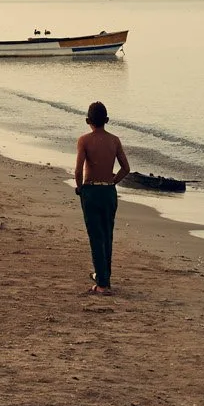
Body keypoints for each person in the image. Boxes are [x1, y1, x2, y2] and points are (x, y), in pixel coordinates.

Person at [74, 101, 130, 294]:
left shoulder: (84, 140)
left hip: (91, 191)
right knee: (107, 234)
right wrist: (113, 181)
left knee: (95, 236)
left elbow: (79, 169)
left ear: (88, 120)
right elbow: (126, 168)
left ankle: (102, 283)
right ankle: (104, 276)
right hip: (108, 191)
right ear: (107, 120)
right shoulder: (114, 141)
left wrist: (80, 188)